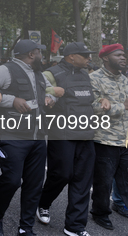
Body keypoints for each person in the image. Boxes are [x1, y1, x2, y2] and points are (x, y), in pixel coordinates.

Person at [0, 39, 56, 236]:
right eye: (40, 53)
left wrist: (51, 98)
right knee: (11, 181)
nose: (42, 57)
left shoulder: (38, 72)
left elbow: (50, 92)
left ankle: (25, 227)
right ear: (31, 54)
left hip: (38, 137)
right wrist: (12, 100)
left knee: (34, 183)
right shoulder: (4, 70)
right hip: (12, 136)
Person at [35, 42, 96, 236]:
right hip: (62, 133)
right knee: (61, 174)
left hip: (86, 135)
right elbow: (38, 91)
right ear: (71, 56)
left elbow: (88, 100)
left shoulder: (86, 74)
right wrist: (51, 95)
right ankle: (43, 203)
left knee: (83, 181)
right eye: (85, 55)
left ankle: (75, 227)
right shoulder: (51, 74)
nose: (89, 58)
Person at [89, 44, 128, 231]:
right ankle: (100, 213)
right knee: (103, 181)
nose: (123, 58)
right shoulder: (94, 79)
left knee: (125, 179)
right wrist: (122, 106)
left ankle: (120, 204)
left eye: (124, 55)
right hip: (105, 139)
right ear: (105, 58)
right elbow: (93, 108)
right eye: (119, 55)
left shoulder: (124, 80)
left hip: (125, 138)